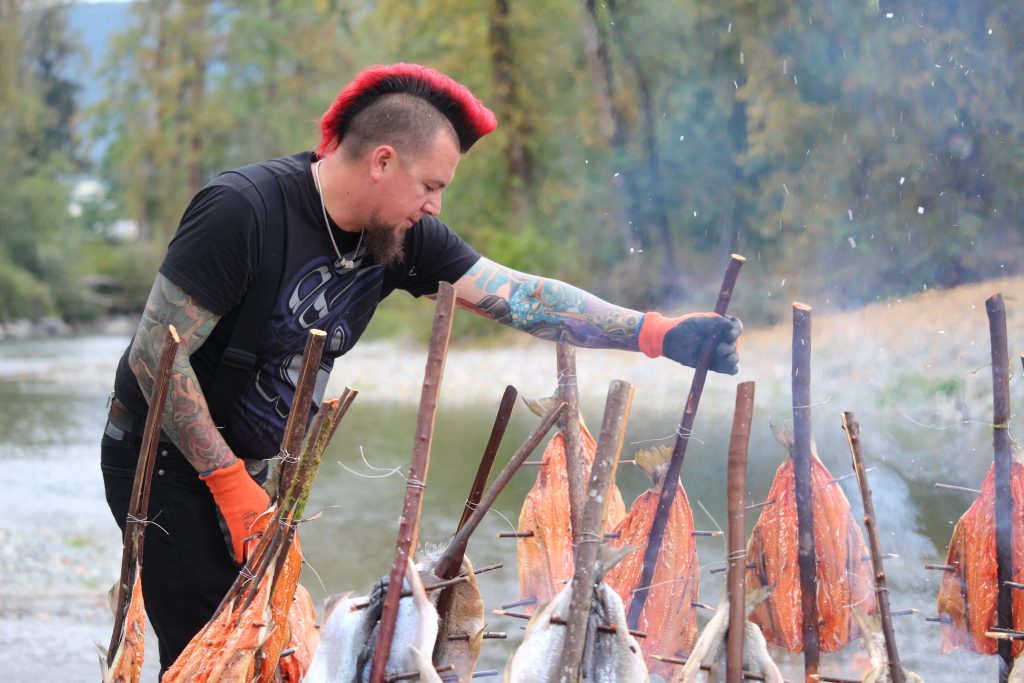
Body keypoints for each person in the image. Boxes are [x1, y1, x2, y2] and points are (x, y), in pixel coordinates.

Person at [100, 62, 743, 675]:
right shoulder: (244, 210)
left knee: (266, 642)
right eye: (431, 186)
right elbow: (157, 354)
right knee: (206, 647)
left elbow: (521, 295)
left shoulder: (398, 239)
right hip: (164, 460)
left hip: (253, 470)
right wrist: (227, 482)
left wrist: (657, 333)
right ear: (383, 161)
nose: (434, 206)